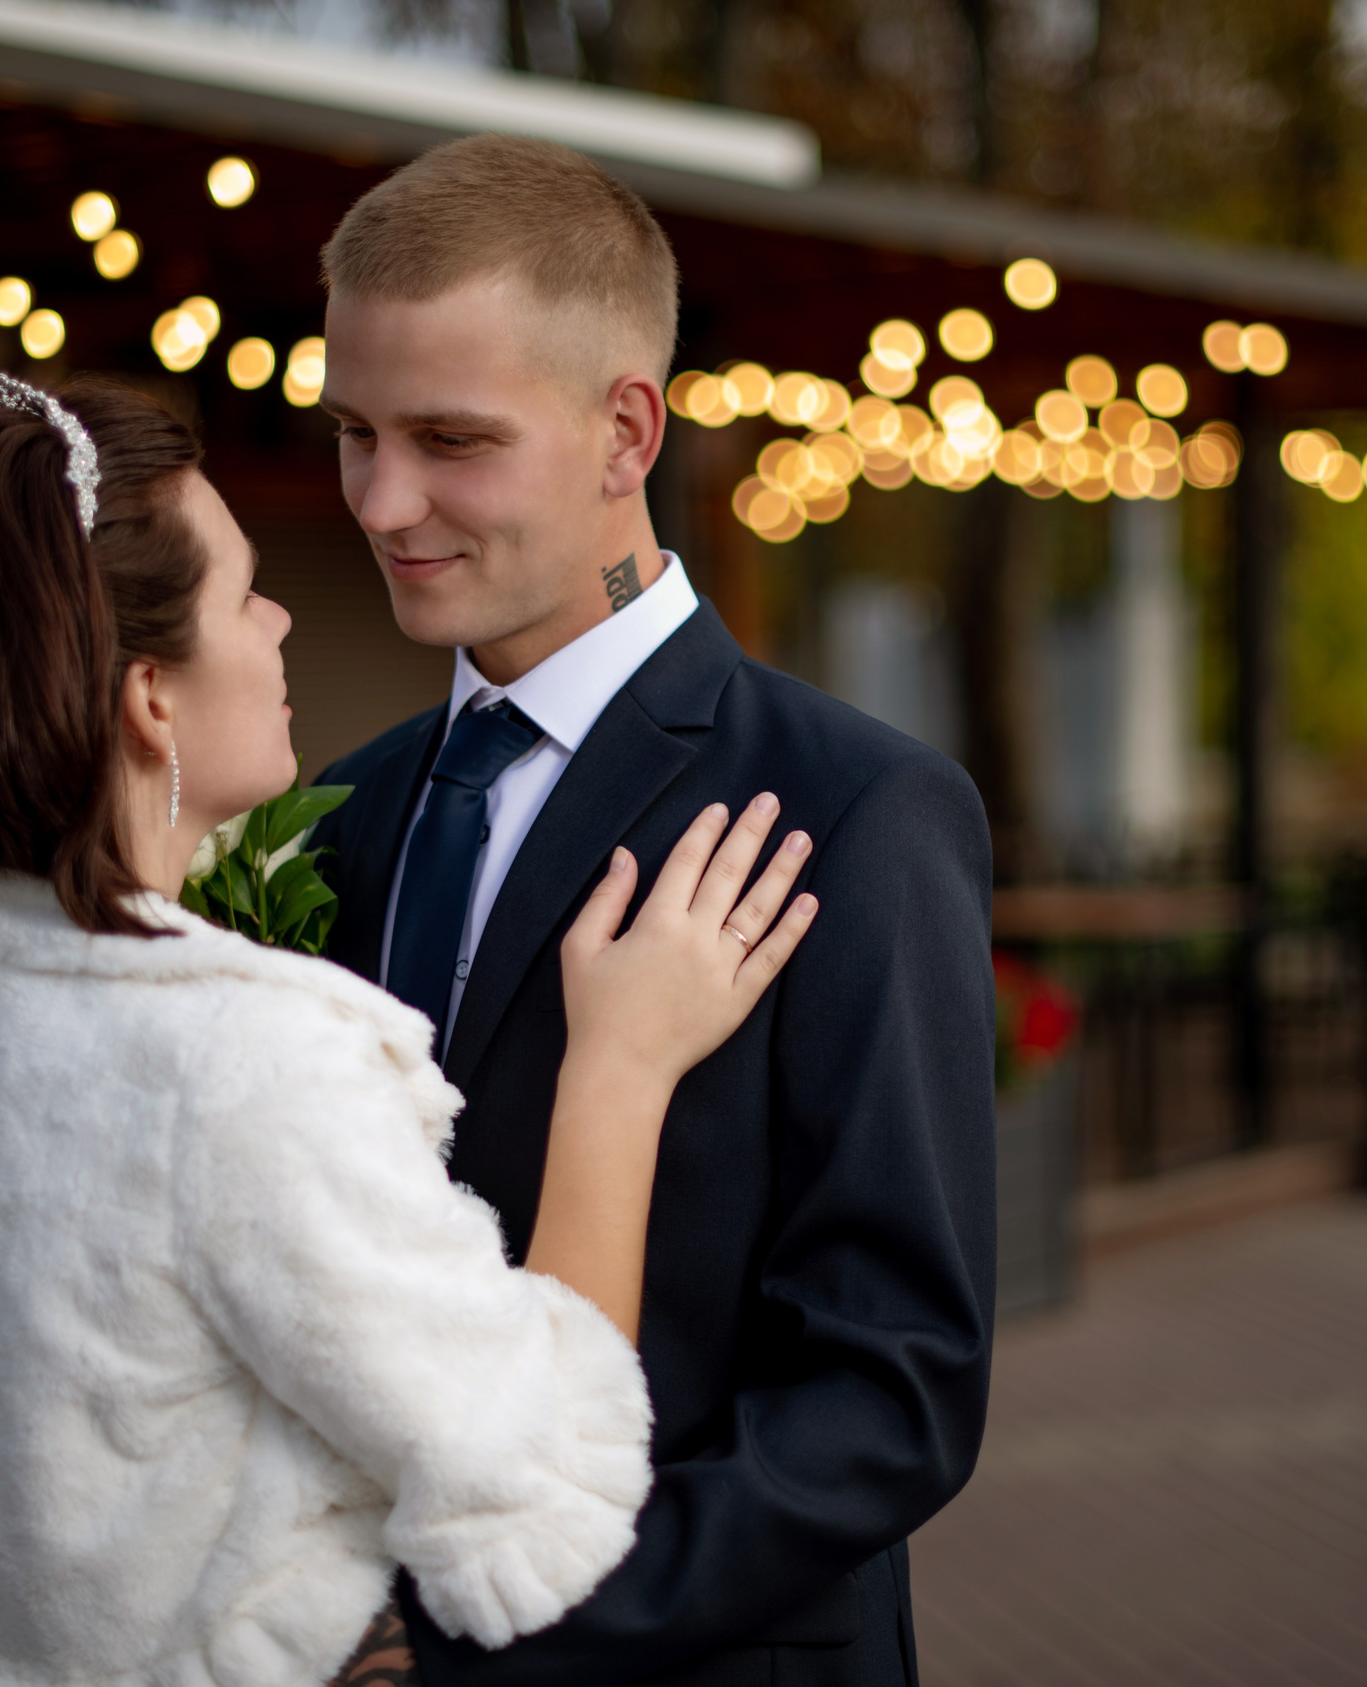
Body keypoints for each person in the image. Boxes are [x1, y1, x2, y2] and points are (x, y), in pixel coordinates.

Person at [0, 374, 818, 1687]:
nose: (279, 624)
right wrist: (618, 1067)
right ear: (151, 697)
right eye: (243, 593)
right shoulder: (233, 1058)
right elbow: (541, 1474)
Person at [308, 135, 998, 1687]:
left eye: (449, 439)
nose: (380, 497)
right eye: (353, 431)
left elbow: (893, 1392)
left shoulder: (855, 811)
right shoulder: (341, 815)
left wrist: (504, 1621)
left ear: (627, 430)